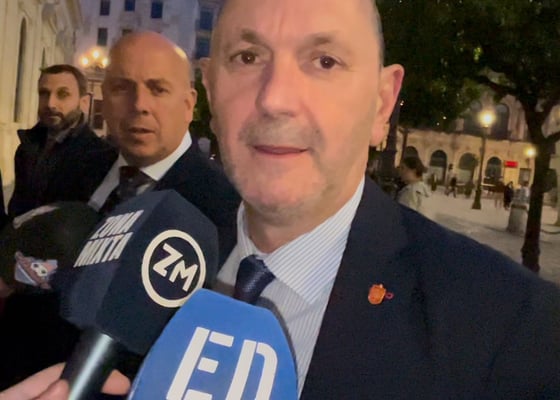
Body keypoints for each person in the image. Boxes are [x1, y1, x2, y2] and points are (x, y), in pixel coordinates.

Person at [4, 0, 560, 398]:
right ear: (211, 91)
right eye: (248, 58)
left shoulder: (513, 332)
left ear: (382, 103)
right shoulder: (152, 263)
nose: (274, 99)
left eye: (324, 61)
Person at [0, 32, 240, 389]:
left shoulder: (224, 207)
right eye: (122, 88)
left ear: (189, 104)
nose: (139, 104)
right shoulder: (74, 166)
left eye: (158, 89)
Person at [7, 64, 116, 218]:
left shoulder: (100, 156)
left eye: (63, 94)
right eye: (44, 93)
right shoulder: (26, 148)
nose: (50, 104)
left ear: (84, 102)